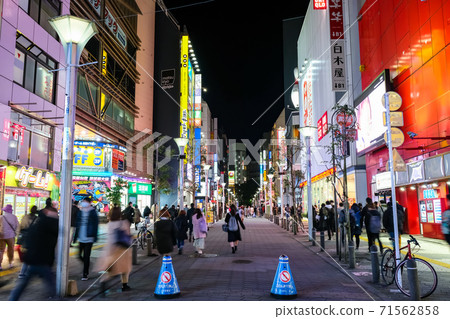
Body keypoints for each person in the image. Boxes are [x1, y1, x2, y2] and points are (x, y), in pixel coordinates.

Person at [9, 201, 58, 300]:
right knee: (51, 284)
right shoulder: (53, 225)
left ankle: (12, 299)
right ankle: (55, 299)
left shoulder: (38, 223)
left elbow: (30, 239)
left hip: (33, 258)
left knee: (23, 284)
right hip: (44, 260)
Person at [97, 205, 132, 292]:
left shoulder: (109, 224)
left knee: (111, 269)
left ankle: (104, 280)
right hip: (121, 249)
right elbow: (128, 235)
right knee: (125, 268)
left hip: (109, 249)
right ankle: (124, 285)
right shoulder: (123, 223)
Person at [74, 197, 99, 281]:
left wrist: (95, 236)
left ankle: (85, 274)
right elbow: (77, 224)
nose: (83, 203)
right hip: (81, 237)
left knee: (86, 256)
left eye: (85, 202)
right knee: (79, 255)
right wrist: (75, 237)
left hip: (89, 237)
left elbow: (96, 225)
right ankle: (87, 264)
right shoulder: (80, 212)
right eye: (83, 201)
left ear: (89, 203)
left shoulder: (92, 212)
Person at [17, 206, 38, 278]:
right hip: (32, 239)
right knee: (30, 256)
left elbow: (20, 227)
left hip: (24, 239)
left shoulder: (25, 217)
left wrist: (18, 237)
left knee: (27, 255)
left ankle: (24, 272)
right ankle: (23, 273)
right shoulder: (37, 219)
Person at [0, 204, 19, 270]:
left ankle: (0, 265)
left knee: (1, 250)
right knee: (10, 250)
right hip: (11, 236)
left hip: (2, 236)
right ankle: (10, 264)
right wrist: (16, 234)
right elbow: (17, 226)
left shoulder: (1, 217)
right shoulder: (14, 217)